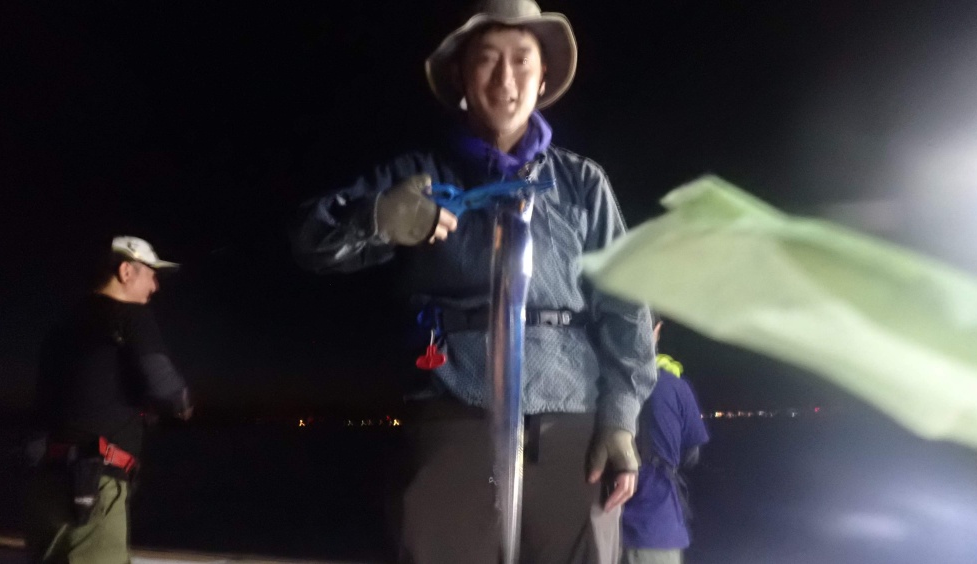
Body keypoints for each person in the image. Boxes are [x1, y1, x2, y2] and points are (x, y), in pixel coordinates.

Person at [291, 0, 657, 562]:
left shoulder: (583, 183)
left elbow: (626, 305)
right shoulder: (418, 178)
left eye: (522, 61)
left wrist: (620, 422)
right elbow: (309, 243)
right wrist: (378, 218)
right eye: (487, 60)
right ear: (461, 77)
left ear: (543, 78)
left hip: (573, 421)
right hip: (452, 412)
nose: (505, 79)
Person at [25, 236, 193, 564]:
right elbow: (169, 392)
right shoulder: (131, 317)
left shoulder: (61, 328)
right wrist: (182, 405)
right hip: (92, 489)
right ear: (126, 271)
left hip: (45, 486)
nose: (156, 286)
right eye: (151, 274)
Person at [620, 320, 710, 564]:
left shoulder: (598, 380)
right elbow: (692, 455)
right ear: (657, 330)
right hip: (657, 524)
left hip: (602, 521)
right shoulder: (676, 386)